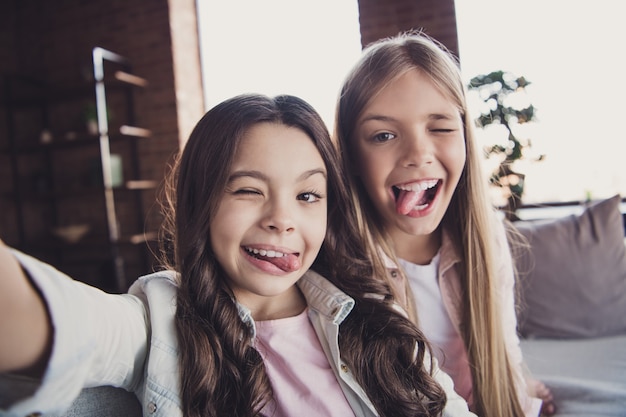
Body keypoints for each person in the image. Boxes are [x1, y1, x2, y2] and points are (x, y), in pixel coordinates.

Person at [0, 94, 477, 417]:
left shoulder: (375, 321)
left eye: (308, 196)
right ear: (202, 202)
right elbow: (55, 319)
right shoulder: (161, 320)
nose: (282, 219)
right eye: (249, 190)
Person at [333, 31, 556, 417]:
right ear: (352, 157)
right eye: (383, 135)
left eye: (440, 127)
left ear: (465, 138)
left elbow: (504, 348)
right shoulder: (342, 267)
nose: (418, 154)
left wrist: (518, 389)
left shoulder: (486, 240)